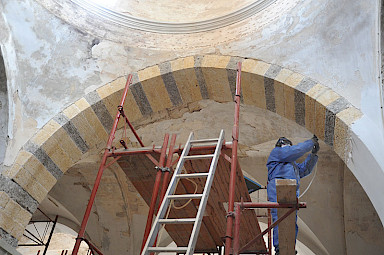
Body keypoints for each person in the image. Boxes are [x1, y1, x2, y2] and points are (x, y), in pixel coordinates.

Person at [266, 136, 320, 254]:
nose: (289, 147)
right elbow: (294, 151)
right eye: (287, 144)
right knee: (279, 217)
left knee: (290, 219)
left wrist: (313, 154)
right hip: (277, 187)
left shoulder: (292, 165)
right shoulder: (277, 153)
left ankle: (289, 247)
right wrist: (311, 142)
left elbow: (305, 169)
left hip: (290, 190)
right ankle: (279, 248)